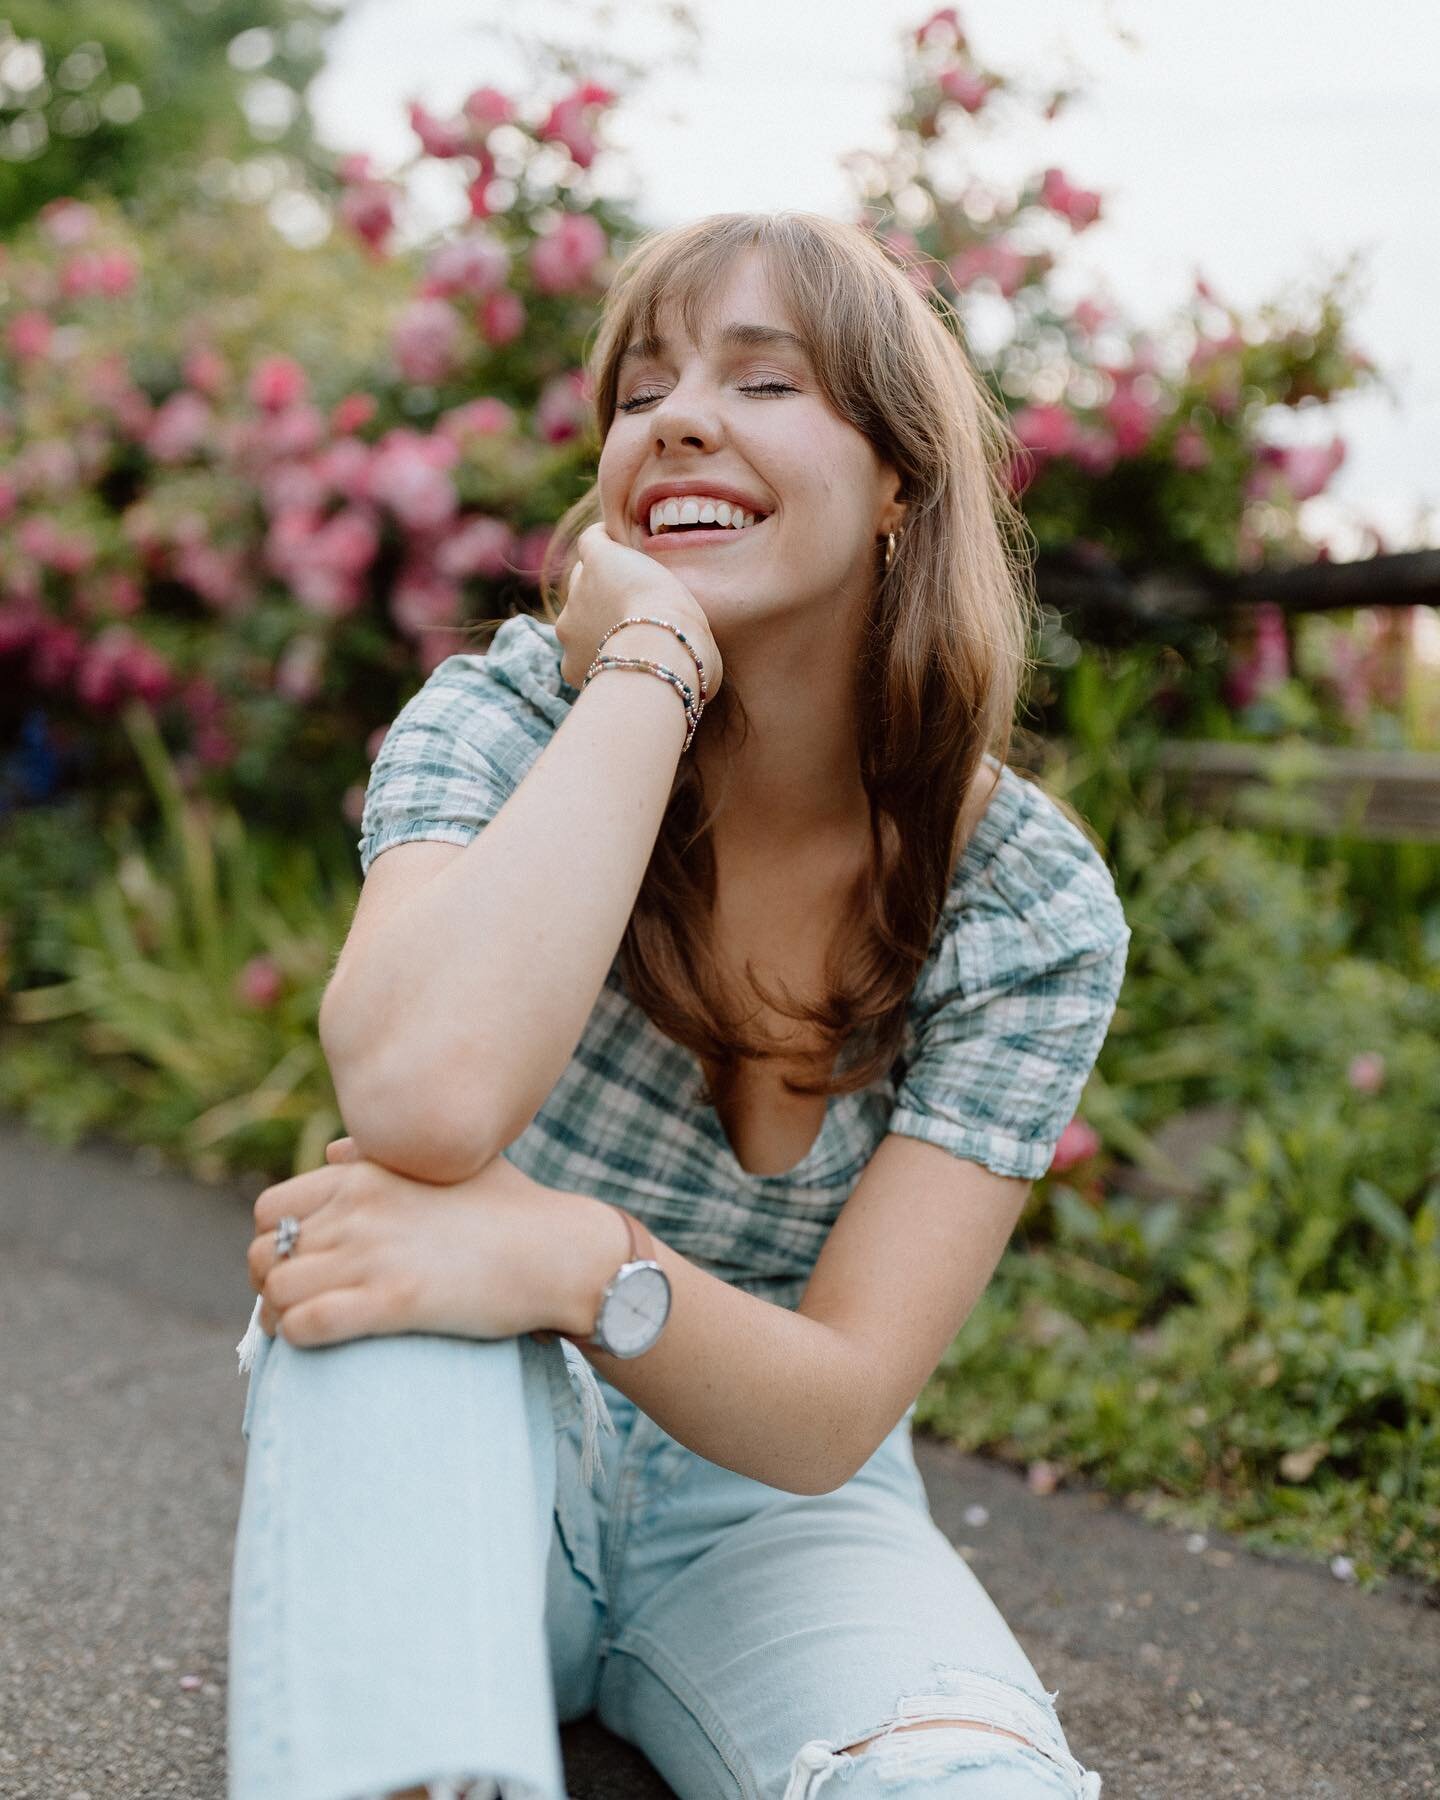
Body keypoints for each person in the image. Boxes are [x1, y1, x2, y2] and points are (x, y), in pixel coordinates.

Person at [228, 210, 1128, 1800]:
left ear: (903, 481)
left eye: (763, 380)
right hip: (455, 1401)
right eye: (642, 390)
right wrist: (652, 659)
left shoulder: (1024, 903)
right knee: (375, 1285)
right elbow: (426, 1100)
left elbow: (832, 1408)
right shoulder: (504, 721)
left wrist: (572, 1256)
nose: (679, 417)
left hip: (772, 1511)